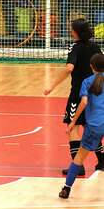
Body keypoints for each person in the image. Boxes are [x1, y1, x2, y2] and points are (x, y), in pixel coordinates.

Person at [44, 19, 103, 175]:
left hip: (78, 93)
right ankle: (102, 163)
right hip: (95, 91)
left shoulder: (75, 47)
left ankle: (78, 167)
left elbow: (69, 68)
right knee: (92, 127)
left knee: (73, 127)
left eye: (71, 29)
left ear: (76, 32)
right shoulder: (96, 47)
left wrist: (52, 85)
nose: (70, 32)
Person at [59, 53, 104, 199]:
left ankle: (66, 188)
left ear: (92, 67)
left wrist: (73, 121)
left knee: (79, 158)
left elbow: (84, 103)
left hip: (94, 126)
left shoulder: (87, 82)